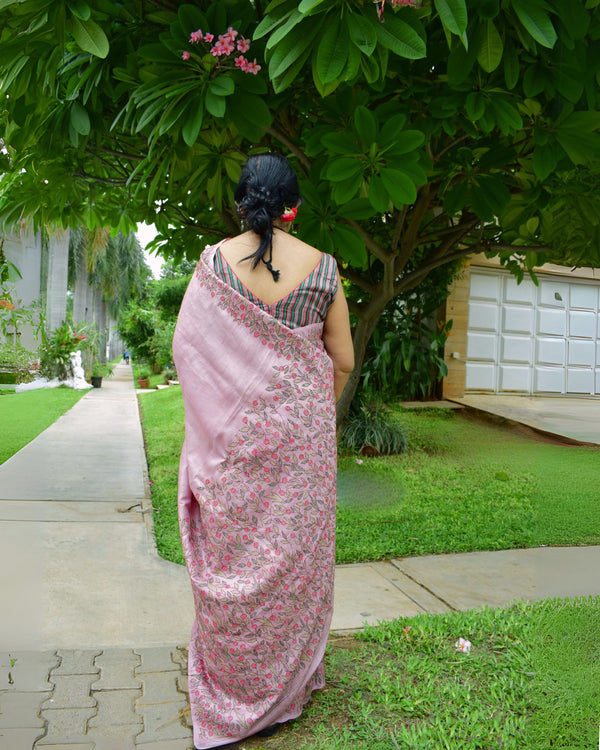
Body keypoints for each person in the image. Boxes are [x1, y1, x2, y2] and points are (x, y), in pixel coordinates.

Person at [172, 153, 354, 749]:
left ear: (242, 201)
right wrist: (301, 405)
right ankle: (288, 688)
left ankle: (233, 686)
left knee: (237, 553)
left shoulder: (210, 266)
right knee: (292, 558)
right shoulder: (324, 269)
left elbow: (186, 350)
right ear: (293, 207)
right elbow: (343, 361)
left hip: (233, 443)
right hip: (299, 439)